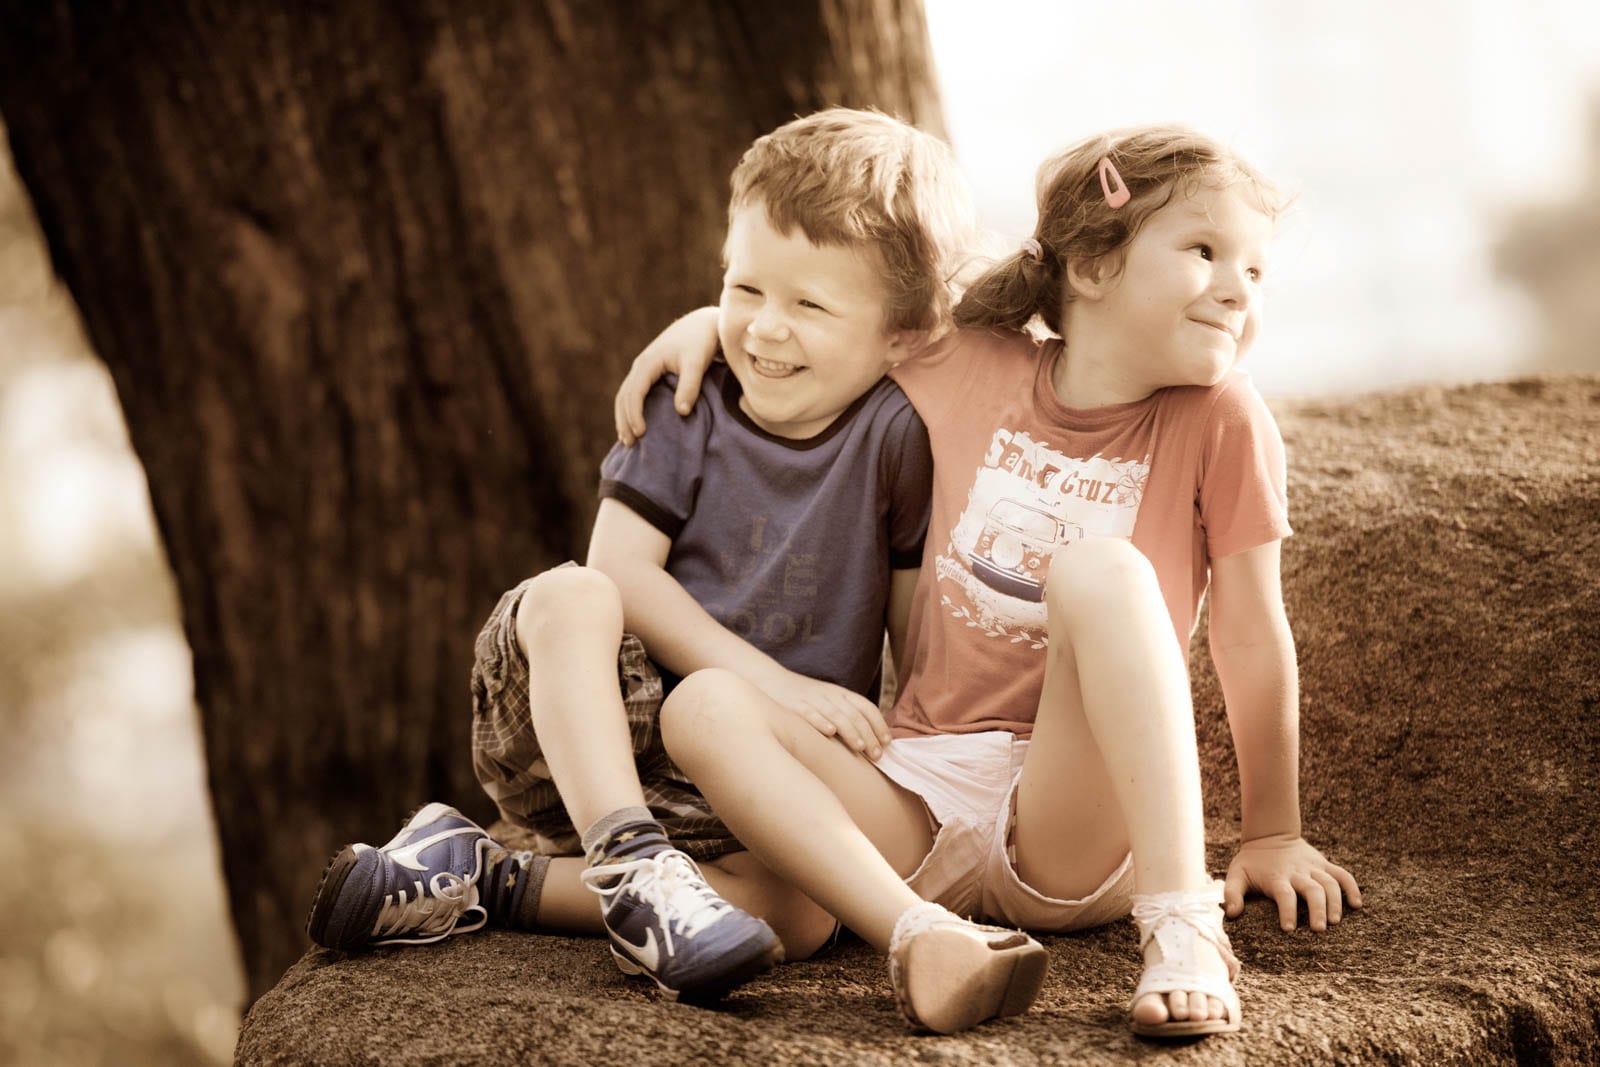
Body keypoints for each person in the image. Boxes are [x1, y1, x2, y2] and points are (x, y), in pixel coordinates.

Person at [613, 125, 1363, 1037]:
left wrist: (1271, 833)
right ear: (1091, 264)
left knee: (1102, 569)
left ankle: (1181, 929)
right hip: (917, 802)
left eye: (1255, 270)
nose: (1239, 287)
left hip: (1071, 827)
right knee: (704, 708)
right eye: (1205, 251)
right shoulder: (969, 362)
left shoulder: (1223, 420)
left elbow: (1250, 632)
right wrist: (711, 325)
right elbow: (844, 318)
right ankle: (918, 934)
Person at [304, 107, 1053, 1018]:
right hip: (585, 716)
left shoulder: (897, 432)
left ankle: (488, 876)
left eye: (809, 305)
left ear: (900, 334)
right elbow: (621, 574)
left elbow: (909, 621)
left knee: (808, 915)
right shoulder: (690, 393)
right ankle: (625, 854)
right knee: (574, 592)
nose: (765, 331)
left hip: (724, 772)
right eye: (743, 289)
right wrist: (777, 684)